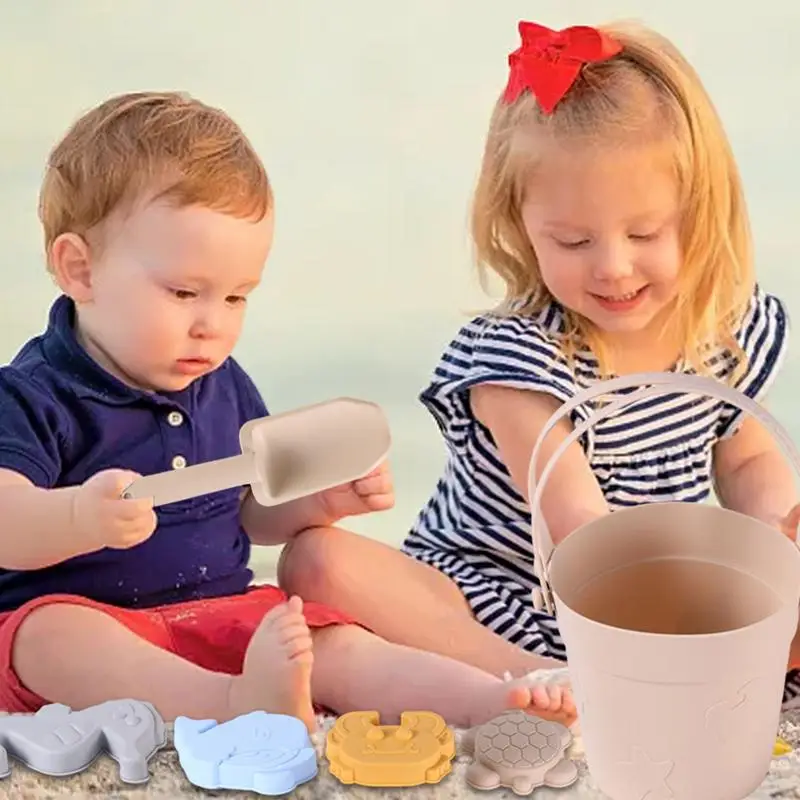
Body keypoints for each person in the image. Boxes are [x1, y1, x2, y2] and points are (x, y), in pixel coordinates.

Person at [0, 90, 574, 732]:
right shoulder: (32, 395)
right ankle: (231, 706)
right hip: (92, 622)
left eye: (237, 298)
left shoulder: (220, 383)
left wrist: (323, 503)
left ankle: (489, 700)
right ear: (79, 270)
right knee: (53, 638)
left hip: (218, 611)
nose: (211, 326)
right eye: (185, 292)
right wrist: (77, 515)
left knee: (330, 642)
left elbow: (247, 513)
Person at [279, 19, 800, 704]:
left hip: (648, 598)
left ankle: (646, 668)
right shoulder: (515, 360)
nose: (613, 268)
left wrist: (771, 529)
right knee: (315, 558)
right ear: (520, 224)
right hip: (490, 592)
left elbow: (747, 458)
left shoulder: (720, 332)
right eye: (573, 240)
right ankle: (532, 675)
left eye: (644, 232)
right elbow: (576, 521)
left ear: (697, 211)